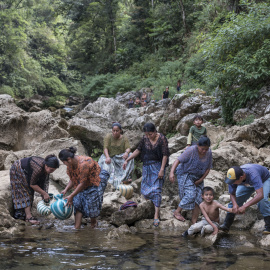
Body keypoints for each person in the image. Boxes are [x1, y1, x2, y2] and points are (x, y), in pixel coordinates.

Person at [123, 122, 170, 227]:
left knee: (156, 190)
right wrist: (127, 159)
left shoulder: (162, 139)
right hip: (146, 167)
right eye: (147, 134)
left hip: (158, 167)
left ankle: (156, 215)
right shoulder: (144, 139)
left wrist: (162, 169)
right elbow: (138, 150)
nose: (149, 136)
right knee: (146, 190)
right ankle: (150, 209)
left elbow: (165, 155)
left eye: (150, 134)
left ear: (155, 131)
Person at [59, 147, 110, 229]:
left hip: (96, 179)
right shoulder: (70, 165)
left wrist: (71, 195)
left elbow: (82, 184)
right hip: (84, 182)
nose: (64, 164)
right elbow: (73, 179)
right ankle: (77, 227)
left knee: (92, 203)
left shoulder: (83, 164)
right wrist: (66, 189)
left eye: (63, 162)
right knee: (77, 202)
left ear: (68, 159)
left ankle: (94, 223)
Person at [169, 136, 212, 224]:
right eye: (202, 149)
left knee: (198, 198)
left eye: (206, 149)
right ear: (197, 145)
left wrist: (200, 180)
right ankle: (177, 212)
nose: (204, 151)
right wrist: (171, 173)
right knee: (190, 194)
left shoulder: (209, 152)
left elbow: (208, 168)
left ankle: (194, 221)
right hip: (185, 174)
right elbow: (178, 160)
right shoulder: (191, 150)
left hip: (199, 177)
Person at [220, 164, 270, 234]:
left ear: (241, 177)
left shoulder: (253, 174)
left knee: (263, 200)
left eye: (233, 181)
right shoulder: (233, 177)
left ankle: (268, 226)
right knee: (235, 200)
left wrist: (244, 206)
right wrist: (235, 205)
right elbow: (232, 193)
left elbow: (260, 195)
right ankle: (226, 226)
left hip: (264, 179)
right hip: (247, 183)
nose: (232, 183)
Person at [10, 155, 60, 225]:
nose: (51, 172)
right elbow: (32, 185)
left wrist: (45, 200)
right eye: (51, 170)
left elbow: (44, 184)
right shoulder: (38, 168)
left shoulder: (45, 169)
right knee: (25, 191)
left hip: (27, 172)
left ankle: (25, 216)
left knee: (30, 191)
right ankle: (28, 217)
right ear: (46, 165)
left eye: (53, 170)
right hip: (18, 169)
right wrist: (44, 194)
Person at [98, 123, 134, 188]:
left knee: (131, 156)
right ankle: (108, 182)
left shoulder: (124, 138)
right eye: (114, 131)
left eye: (117, 131)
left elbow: (128, 148)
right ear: (112, 131)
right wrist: (107, 157)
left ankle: (125, 178)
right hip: (109, 157)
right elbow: (105, 148)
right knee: (105, 163)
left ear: (120, 130)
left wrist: (126, 152)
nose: (115, 132)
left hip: (119, 158)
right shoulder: (108, 137)